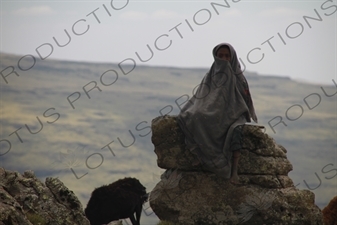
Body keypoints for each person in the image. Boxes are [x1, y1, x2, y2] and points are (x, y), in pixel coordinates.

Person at [177, 43, 258, 184]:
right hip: (212, 110)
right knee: (192, 116)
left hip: (234, 113)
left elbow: (243, 101)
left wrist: (227, 110)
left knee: (235, 130)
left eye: (227, 56)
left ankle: (233, 172)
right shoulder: (211, 74)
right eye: (220, 56)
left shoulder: (239, 78)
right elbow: (201, 96)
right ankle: (201, 154)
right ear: (215, 56)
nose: (224, 59)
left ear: (232, 58)